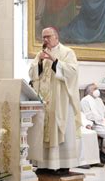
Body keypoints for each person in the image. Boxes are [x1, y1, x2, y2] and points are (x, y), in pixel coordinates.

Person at [28, 27, 81, 171]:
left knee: (59, 128)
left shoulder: (67, 52)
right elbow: (32, 73)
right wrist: (39, 62)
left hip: (60, 100)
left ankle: (63, 165)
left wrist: (54, 60)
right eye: (43, 37)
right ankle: (44, 165)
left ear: (56, 37)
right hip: (44, 102)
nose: (45, 40)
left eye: (48, 37)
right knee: (42, 130)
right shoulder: (41, 54)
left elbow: (73, 72)